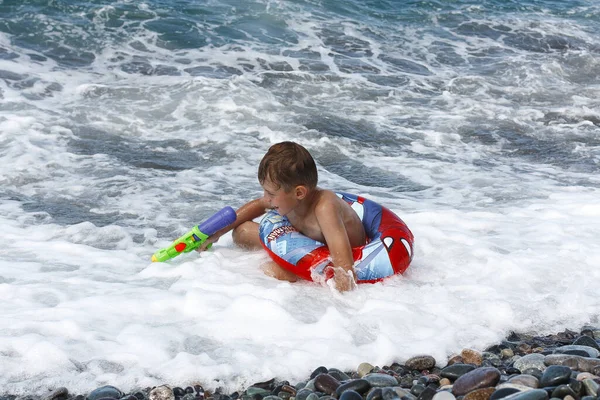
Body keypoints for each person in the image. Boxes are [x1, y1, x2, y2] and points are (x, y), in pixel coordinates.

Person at [199, 141, 366, 292]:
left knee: (273, 270)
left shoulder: (324, 208)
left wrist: (343, 301)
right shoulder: (290, 198)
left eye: (270, 193)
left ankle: (294, 272)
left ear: (299, 192)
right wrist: (217, 233)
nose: (266, 197)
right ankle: (291, 264)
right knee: (241, 232)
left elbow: (344, 264)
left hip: (350, 253)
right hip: (308, 245)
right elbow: (259, 205)